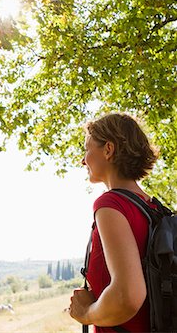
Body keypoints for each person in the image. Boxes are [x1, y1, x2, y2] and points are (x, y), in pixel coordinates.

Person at [69, 112, 159, 333]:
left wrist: (86, 313)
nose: (83, 160)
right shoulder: (154, 208)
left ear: (108, 150)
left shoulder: (111, 204)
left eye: (87, 149)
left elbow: (128, 296)